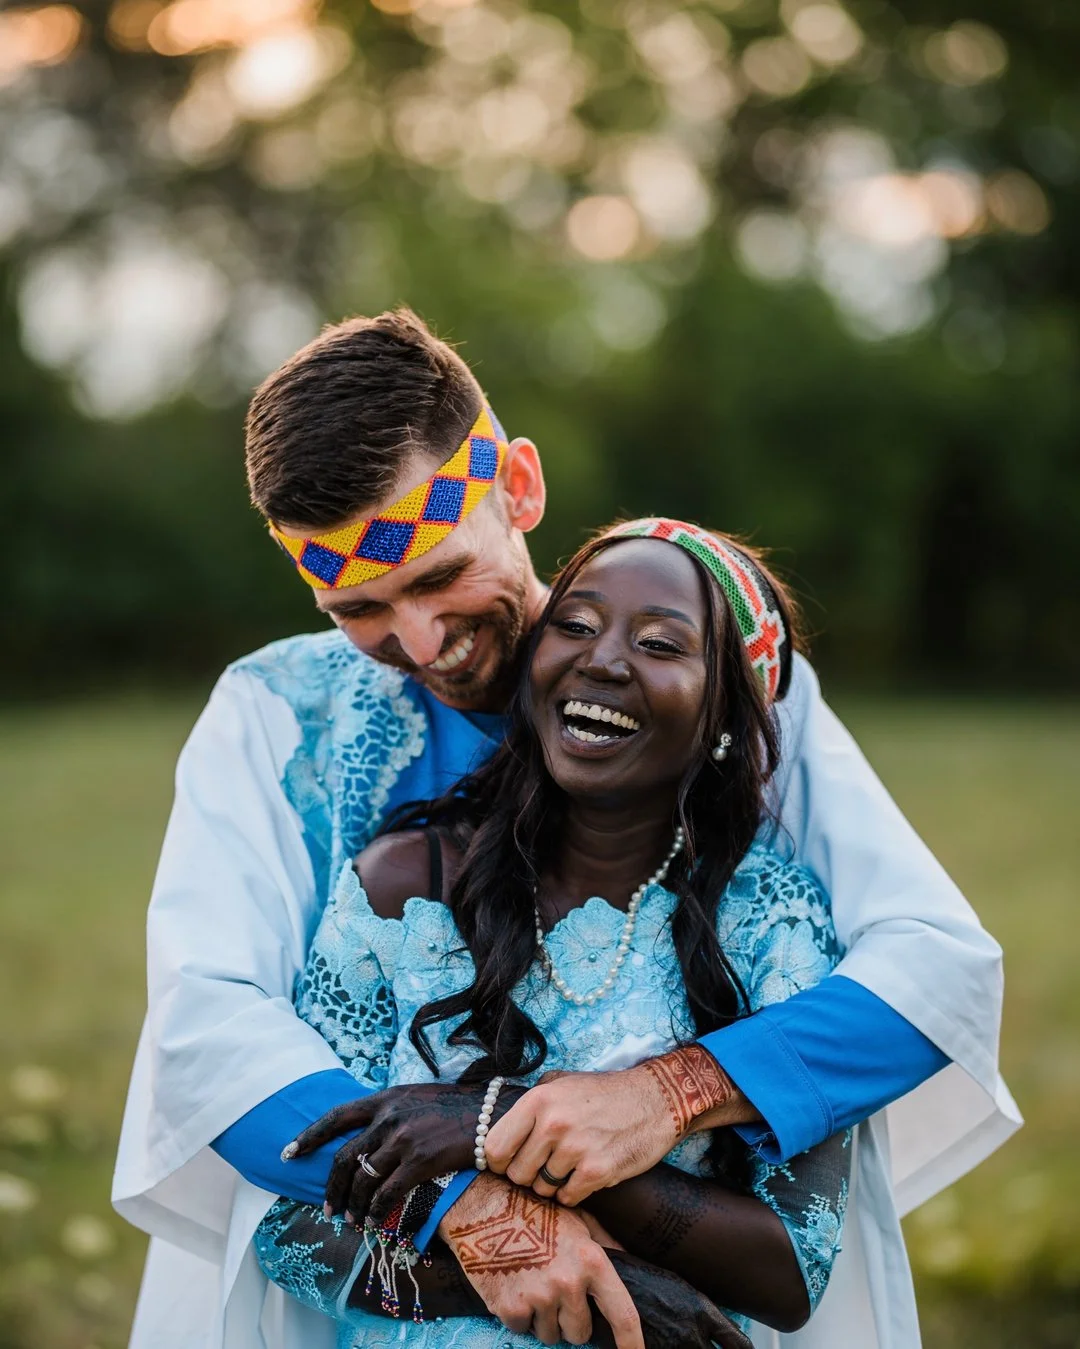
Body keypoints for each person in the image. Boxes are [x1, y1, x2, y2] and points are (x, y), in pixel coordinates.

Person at [112, 310, 1018, 1349]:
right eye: (355, 606)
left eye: (440, 573)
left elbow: (937, 965)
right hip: (368, 1294)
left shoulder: (733, 681)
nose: (418, 640)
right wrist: (475, 1211)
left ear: (521, 488)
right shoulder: (274, 714)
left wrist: (659, 1099)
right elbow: (205, 1022)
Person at [252, 521, 861, 1349]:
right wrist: (592, 1279)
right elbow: (291, 1231)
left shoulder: (768, 918)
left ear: (724, 709)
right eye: (573, 626)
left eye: (659, 643)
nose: (603, 659)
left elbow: (793, 1270)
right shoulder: (404, 886)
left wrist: (493, 1122)